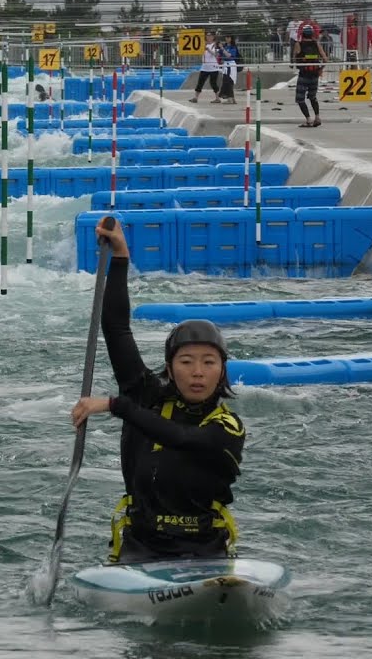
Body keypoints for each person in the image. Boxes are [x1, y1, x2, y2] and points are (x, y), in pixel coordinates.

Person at [70, 217, 245, 564]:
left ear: (222, 370)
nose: (197, 373)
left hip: (206, 549)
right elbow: (116, 328)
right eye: (186, 362)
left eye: (209, 362)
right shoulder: (147, 395)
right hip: (141, 547)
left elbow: (183, 438)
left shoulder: (229, 428)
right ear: (169, 367)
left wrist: (117, 404)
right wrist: (120, 257)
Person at [294, 24, 327, 127]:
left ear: (302, 34)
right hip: (314, 75)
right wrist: (320, 69)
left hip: (303, 76)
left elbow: (295, 59)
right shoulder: (317, 44)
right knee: (313, 97)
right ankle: (317, 117)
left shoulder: (298, 44)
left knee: (300, 99)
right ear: (312, 34)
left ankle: (308, 120)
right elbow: (325, 59)